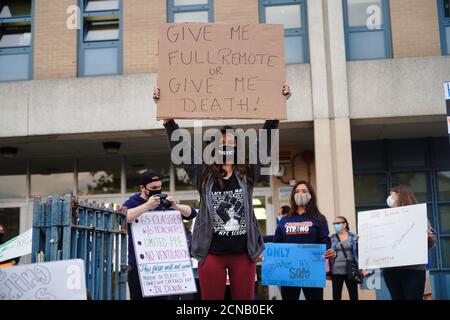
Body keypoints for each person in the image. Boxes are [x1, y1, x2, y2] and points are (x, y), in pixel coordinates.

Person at [153, 84, 291, 300]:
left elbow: (264, 144)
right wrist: (169, 121)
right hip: (211, 254)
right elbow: (183, 149)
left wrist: (276, 110)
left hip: (243, 254)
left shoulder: (247, 172)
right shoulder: (203, 173)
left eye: (231, 142)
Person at [122, 169, 197, 300]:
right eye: (153, 188)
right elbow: (122, 217)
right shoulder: (132, 202)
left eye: (160, 187)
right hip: (139, 265)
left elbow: (191, 213)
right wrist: (147, 206)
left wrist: (175, 205)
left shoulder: (164, 203)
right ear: (142, 188)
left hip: (163, 265)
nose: (157, 190)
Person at [274, 180, 336, 300]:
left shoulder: (319, 218)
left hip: (312, 269)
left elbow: (325, 241)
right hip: (288, 269)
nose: (300, 193)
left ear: (310, 195)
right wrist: (268, 255)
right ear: (293, 195)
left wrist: (330, 251)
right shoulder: (285, 219)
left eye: (304, 191)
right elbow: (277, 243)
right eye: (297, 191)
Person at [382, 185, 436, 300]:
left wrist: (430, 238)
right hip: (391, 269)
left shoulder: (418, 216)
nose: (389, 198)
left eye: (392, 195)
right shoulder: (383, 219)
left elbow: (430, 244)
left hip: (414, 269)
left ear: (401, 196)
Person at [330, 216, 359, 300]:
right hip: (336, 271)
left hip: (351, 270)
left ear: (344, 224)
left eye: (338, 223)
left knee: (353, 295)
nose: (336, 225)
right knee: (336, 296)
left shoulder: (354, 237)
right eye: (334, 224)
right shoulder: (332, 238)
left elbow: (359, 253)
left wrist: (362, 268)